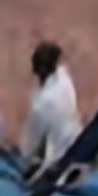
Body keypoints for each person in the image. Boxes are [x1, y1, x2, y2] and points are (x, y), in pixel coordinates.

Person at [19, 42, 82, 173]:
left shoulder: (43, 104)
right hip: (75, 140)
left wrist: (23, 155)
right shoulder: (64, 78)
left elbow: (31, 144)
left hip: (57, 158)